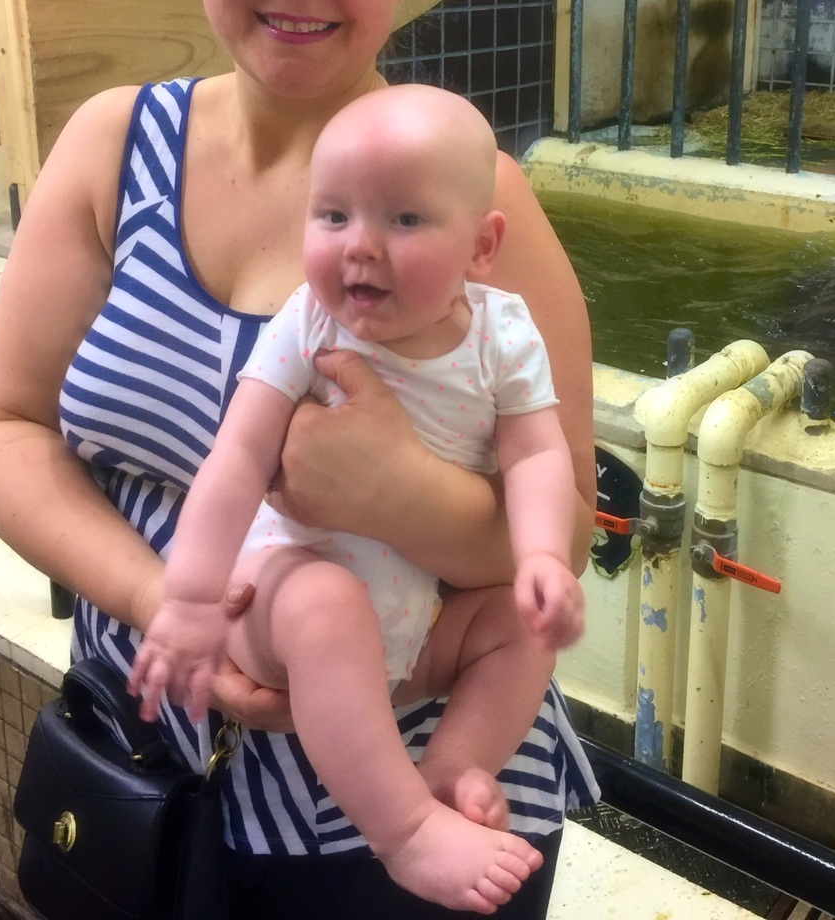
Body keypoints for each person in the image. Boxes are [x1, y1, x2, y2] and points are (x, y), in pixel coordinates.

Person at [0, 0, 598, 919]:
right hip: (159, 754)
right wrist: (171, 607)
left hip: (437, 801)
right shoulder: (112, 147)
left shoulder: (481, 206)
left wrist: (396, 491)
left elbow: (559, 519)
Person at [130, 83, 585, 912]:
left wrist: (545, 555)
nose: (359, 248)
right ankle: (404, 831)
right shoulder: (308, 324)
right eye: (332, 216)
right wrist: (192, 598)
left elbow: (538, 453)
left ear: (481, 247)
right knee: (328, 603)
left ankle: (450, 773)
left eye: (404, 221)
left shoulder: (503, 333)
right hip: (281, 597)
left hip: (423, 627)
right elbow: (235, 458)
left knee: (518, 627)